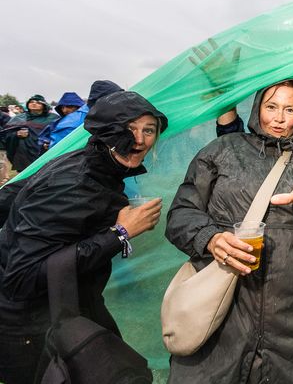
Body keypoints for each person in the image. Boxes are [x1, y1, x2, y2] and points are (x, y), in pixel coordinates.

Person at [165, 80, 293, 384]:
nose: (279, 118)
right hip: (224, 297)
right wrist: (210, 238)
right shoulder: (224, 149)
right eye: (271, 107)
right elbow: (181, 213)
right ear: (257, 109)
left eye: (290, 109)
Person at [0, 91, 167, 384]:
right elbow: (22, 278)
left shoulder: (94, 165)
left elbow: (11, 198)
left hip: (69, 307)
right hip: (30, 325)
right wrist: (120, 233)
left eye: (148, 130)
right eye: (129, 129)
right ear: (104, 131)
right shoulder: (76, 182)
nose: (139, 140)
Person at [38, 81, 124, 151]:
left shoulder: (105, 113)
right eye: (116, 98)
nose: (65, 110)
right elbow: (57, 154)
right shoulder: (71, 124)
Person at [1, 95, 58, 172]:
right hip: (23, 154)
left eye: (38, 102)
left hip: (43, 152)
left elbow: (58, 134)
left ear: (44, 105)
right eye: (31, 102)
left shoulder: (53, 118)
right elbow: (6, 134)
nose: (34, 104)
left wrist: (48, 141)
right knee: (23, 179)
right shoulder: (19, 117)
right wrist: (16, 134)